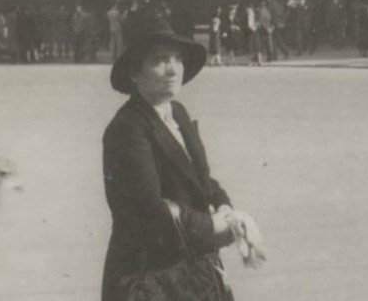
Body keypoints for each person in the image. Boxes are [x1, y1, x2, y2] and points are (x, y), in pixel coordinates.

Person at [102, 18, 263, 301]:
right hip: (149, 279)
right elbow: (151, 210)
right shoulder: (127, 128)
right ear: (135, 73)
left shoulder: (178, 113)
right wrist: (215, 227)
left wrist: (228, 209)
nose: (172, 68)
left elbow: (201, 179)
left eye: (177, 59)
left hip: (194, 271)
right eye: (159, 60)